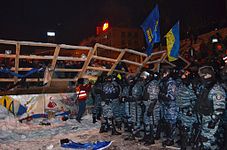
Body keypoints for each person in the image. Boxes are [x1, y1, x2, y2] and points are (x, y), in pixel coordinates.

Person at [195, 66, 226, 150]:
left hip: (212, 120)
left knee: (209, 141)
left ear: (208, 75)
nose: (201, 78)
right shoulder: (205, 87)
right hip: (204, 118)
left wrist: (213, 121)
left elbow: (219, 108)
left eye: (202, 75)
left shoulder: (217, 90)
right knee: (204, 141)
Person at [176, 69, 197, 150]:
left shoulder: (192, 85)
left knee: (187, 129)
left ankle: (185, 145)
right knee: (182, 127)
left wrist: (191, 110)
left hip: (188, 111)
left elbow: (195, 100)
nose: (182, 76)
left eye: (184, 75)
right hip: (181, 111)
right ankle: (184, 141)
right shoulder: (182, 84)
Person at [158, 68, 178, 146]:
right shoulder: (164, 82)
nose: (162, 75)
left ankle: (171, 139)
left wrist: (161, 94)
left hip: (171, 106)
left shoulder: (172, 83)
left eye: (163, 73)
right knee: (167, 123)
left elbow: (171, 97)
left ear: (167, 73)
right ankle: (169, 137)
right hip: (166, 105)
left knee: (171, 124)